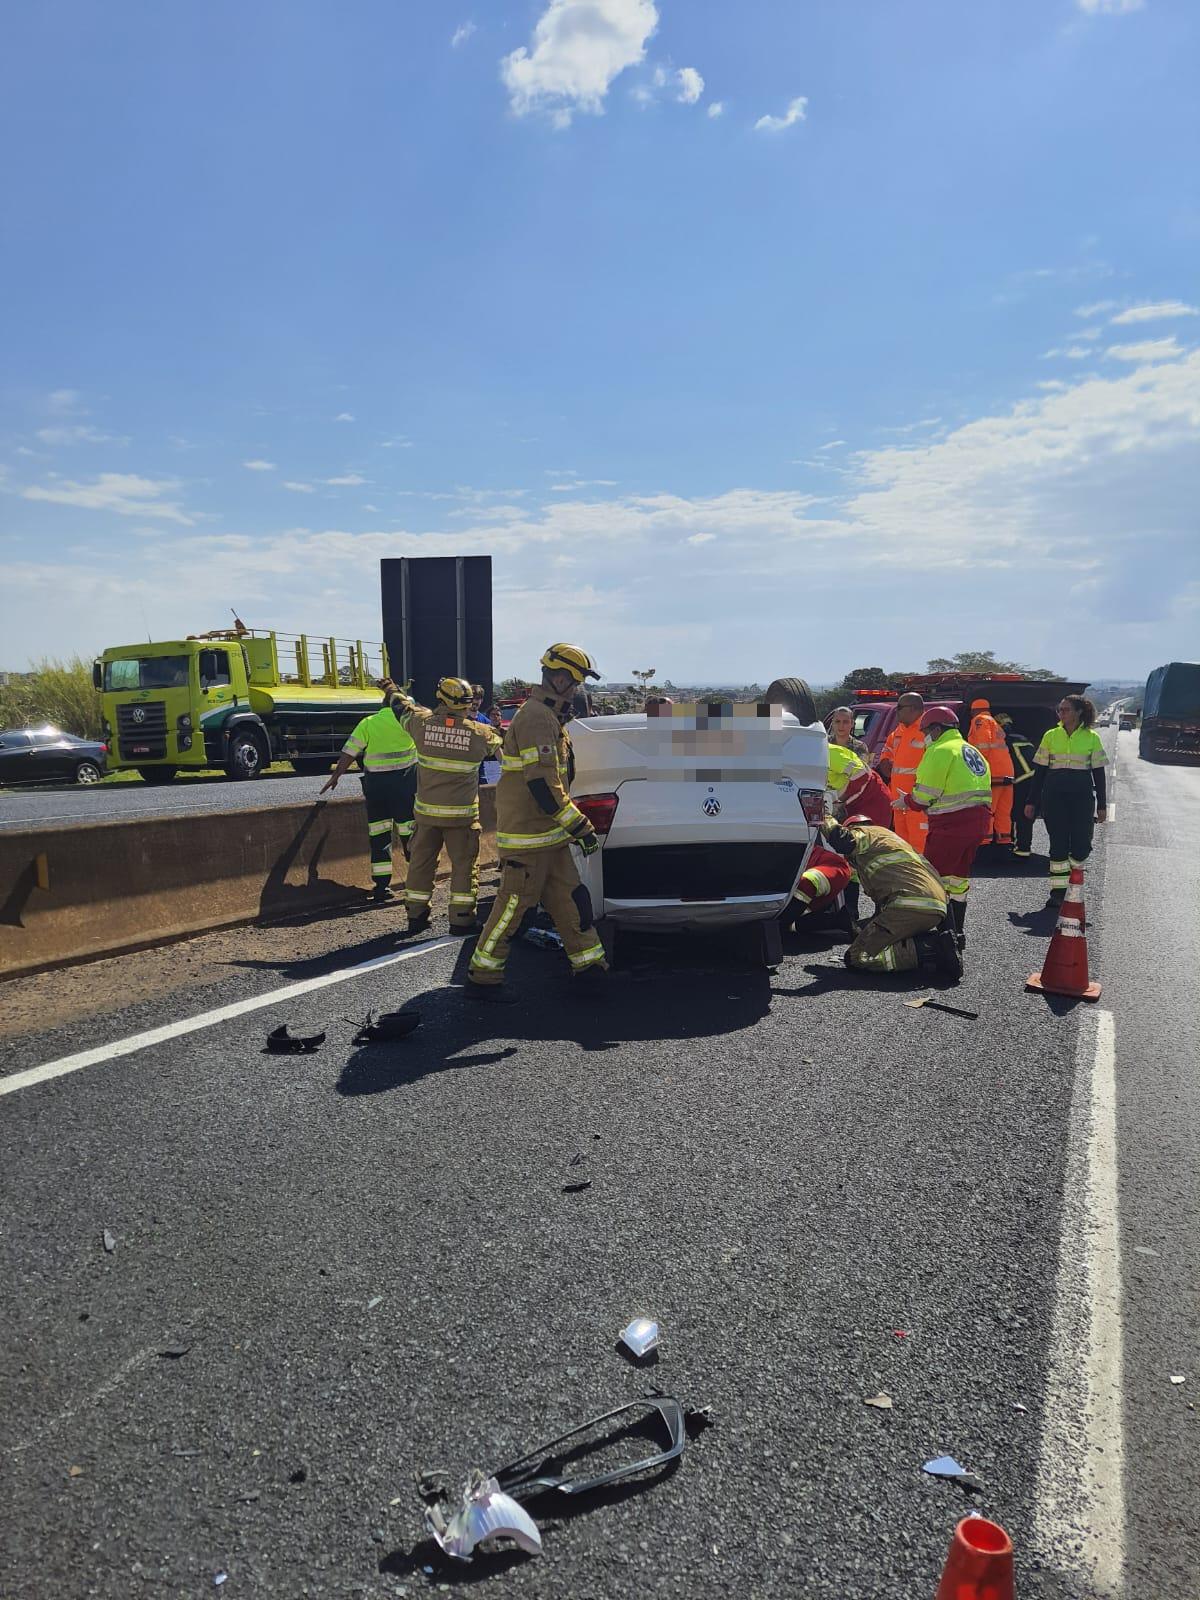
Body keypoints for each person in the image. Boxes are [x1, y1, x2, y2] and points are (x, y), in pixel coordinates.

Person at [467, 644, 608, 1002]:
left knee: (572, 903)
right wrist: (580, 826)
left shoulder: (549, 717)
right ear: (559, 679)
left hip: (550, 837)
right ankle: (483, 977)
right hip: (529, 839)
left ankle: (590, 968)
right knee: (513, 912)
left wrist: (568, 829)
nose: (577, 690)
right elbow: (543, 785)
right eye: (575, 682)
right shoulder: (535, 718)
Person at [397, 676, 503, 934]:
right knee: (464, 867)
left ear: (441, 699)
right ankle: (461, 918)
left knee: (421, 865)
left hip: (426, 816)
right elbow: (506, 757)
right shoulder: (481, 733)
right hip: (462, 818)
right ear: (467, 704)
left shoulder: (421, 724)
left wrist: (392, 690)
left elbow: (401, 708)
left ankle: (416, 916)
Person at [820, 815, 962, 979]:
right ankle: (940, 947)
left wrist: (822, 815)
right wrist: (952, 936)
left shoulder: (866, 834)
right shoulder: (898, 844)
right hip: (937, 911)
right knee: (886, 939)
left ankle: (931, 949)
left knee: (857, 957)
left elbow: (842, 841)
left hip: (908, 908)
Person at [903, 705, 991, 947]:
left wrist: (906, 801)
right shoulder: (970, 750)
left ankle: (941, 935)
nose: (924, 737)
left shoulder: (940, 750)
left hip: (951, 825)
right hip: (978, 823)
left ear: (937, 728)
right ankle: (956, 932)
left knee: (933, 878)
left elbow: (923, 796)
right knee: (958, 879)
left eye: (926, 732)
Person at [321, 684, 418, 902]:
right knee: (410, 834)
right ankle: (417, 882)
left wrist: (336, 776)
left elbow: (349, 751)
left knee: (379, 836)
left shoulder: (369, 722)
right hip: (405, 787)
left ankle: (381, 888)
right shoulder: (409, 722)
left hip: (376, 789)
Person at [1026, 694, 1107, 895]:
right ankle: (1058, 893)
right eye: (1059, 710)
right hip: (1054, 797)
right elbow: (1040, 773)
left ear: (1079, 712)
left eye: (1065, 710)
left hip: (1081, 797)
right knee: (1058, 845)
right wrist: (1031, 801)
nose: (1061, 713)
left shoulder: (1092, 737)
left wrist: (1102, 805)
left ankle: (1074, 870)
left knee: (1082, 846)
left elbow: (1099, 773)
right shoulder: (1050, 735)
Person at [875, 692, 928, 852]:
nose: (896, 711)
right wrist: (884, 760)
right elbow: (888, 749)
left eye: (899, 707)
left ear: (912, 709)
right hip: (899, 800)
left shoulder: (926, 730)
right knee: (903, 845)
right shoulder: (899, 730)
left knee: (920, 843)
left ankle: (922, 874)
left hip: (918, 800)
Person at [967, 697, 1015, 846]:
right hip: (1006, 773)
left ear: (974, 710)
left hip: (992, 774)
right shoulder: (995, 723)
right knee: (1003, 812)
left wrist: (978, 770)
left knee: (986, 812)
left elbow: (983, 746)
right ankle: (1004, 843)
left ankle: (984, 845)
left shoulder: (979, 720)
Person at [997, 712, 1038, 857]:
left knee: (1008, 813)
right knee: (1025, 816)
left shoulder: (1003, 741)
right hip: (1032, 780)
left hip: (1016, 782)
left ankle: (1010, 844)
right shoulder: (1022, 738)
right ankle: (1023, 849)